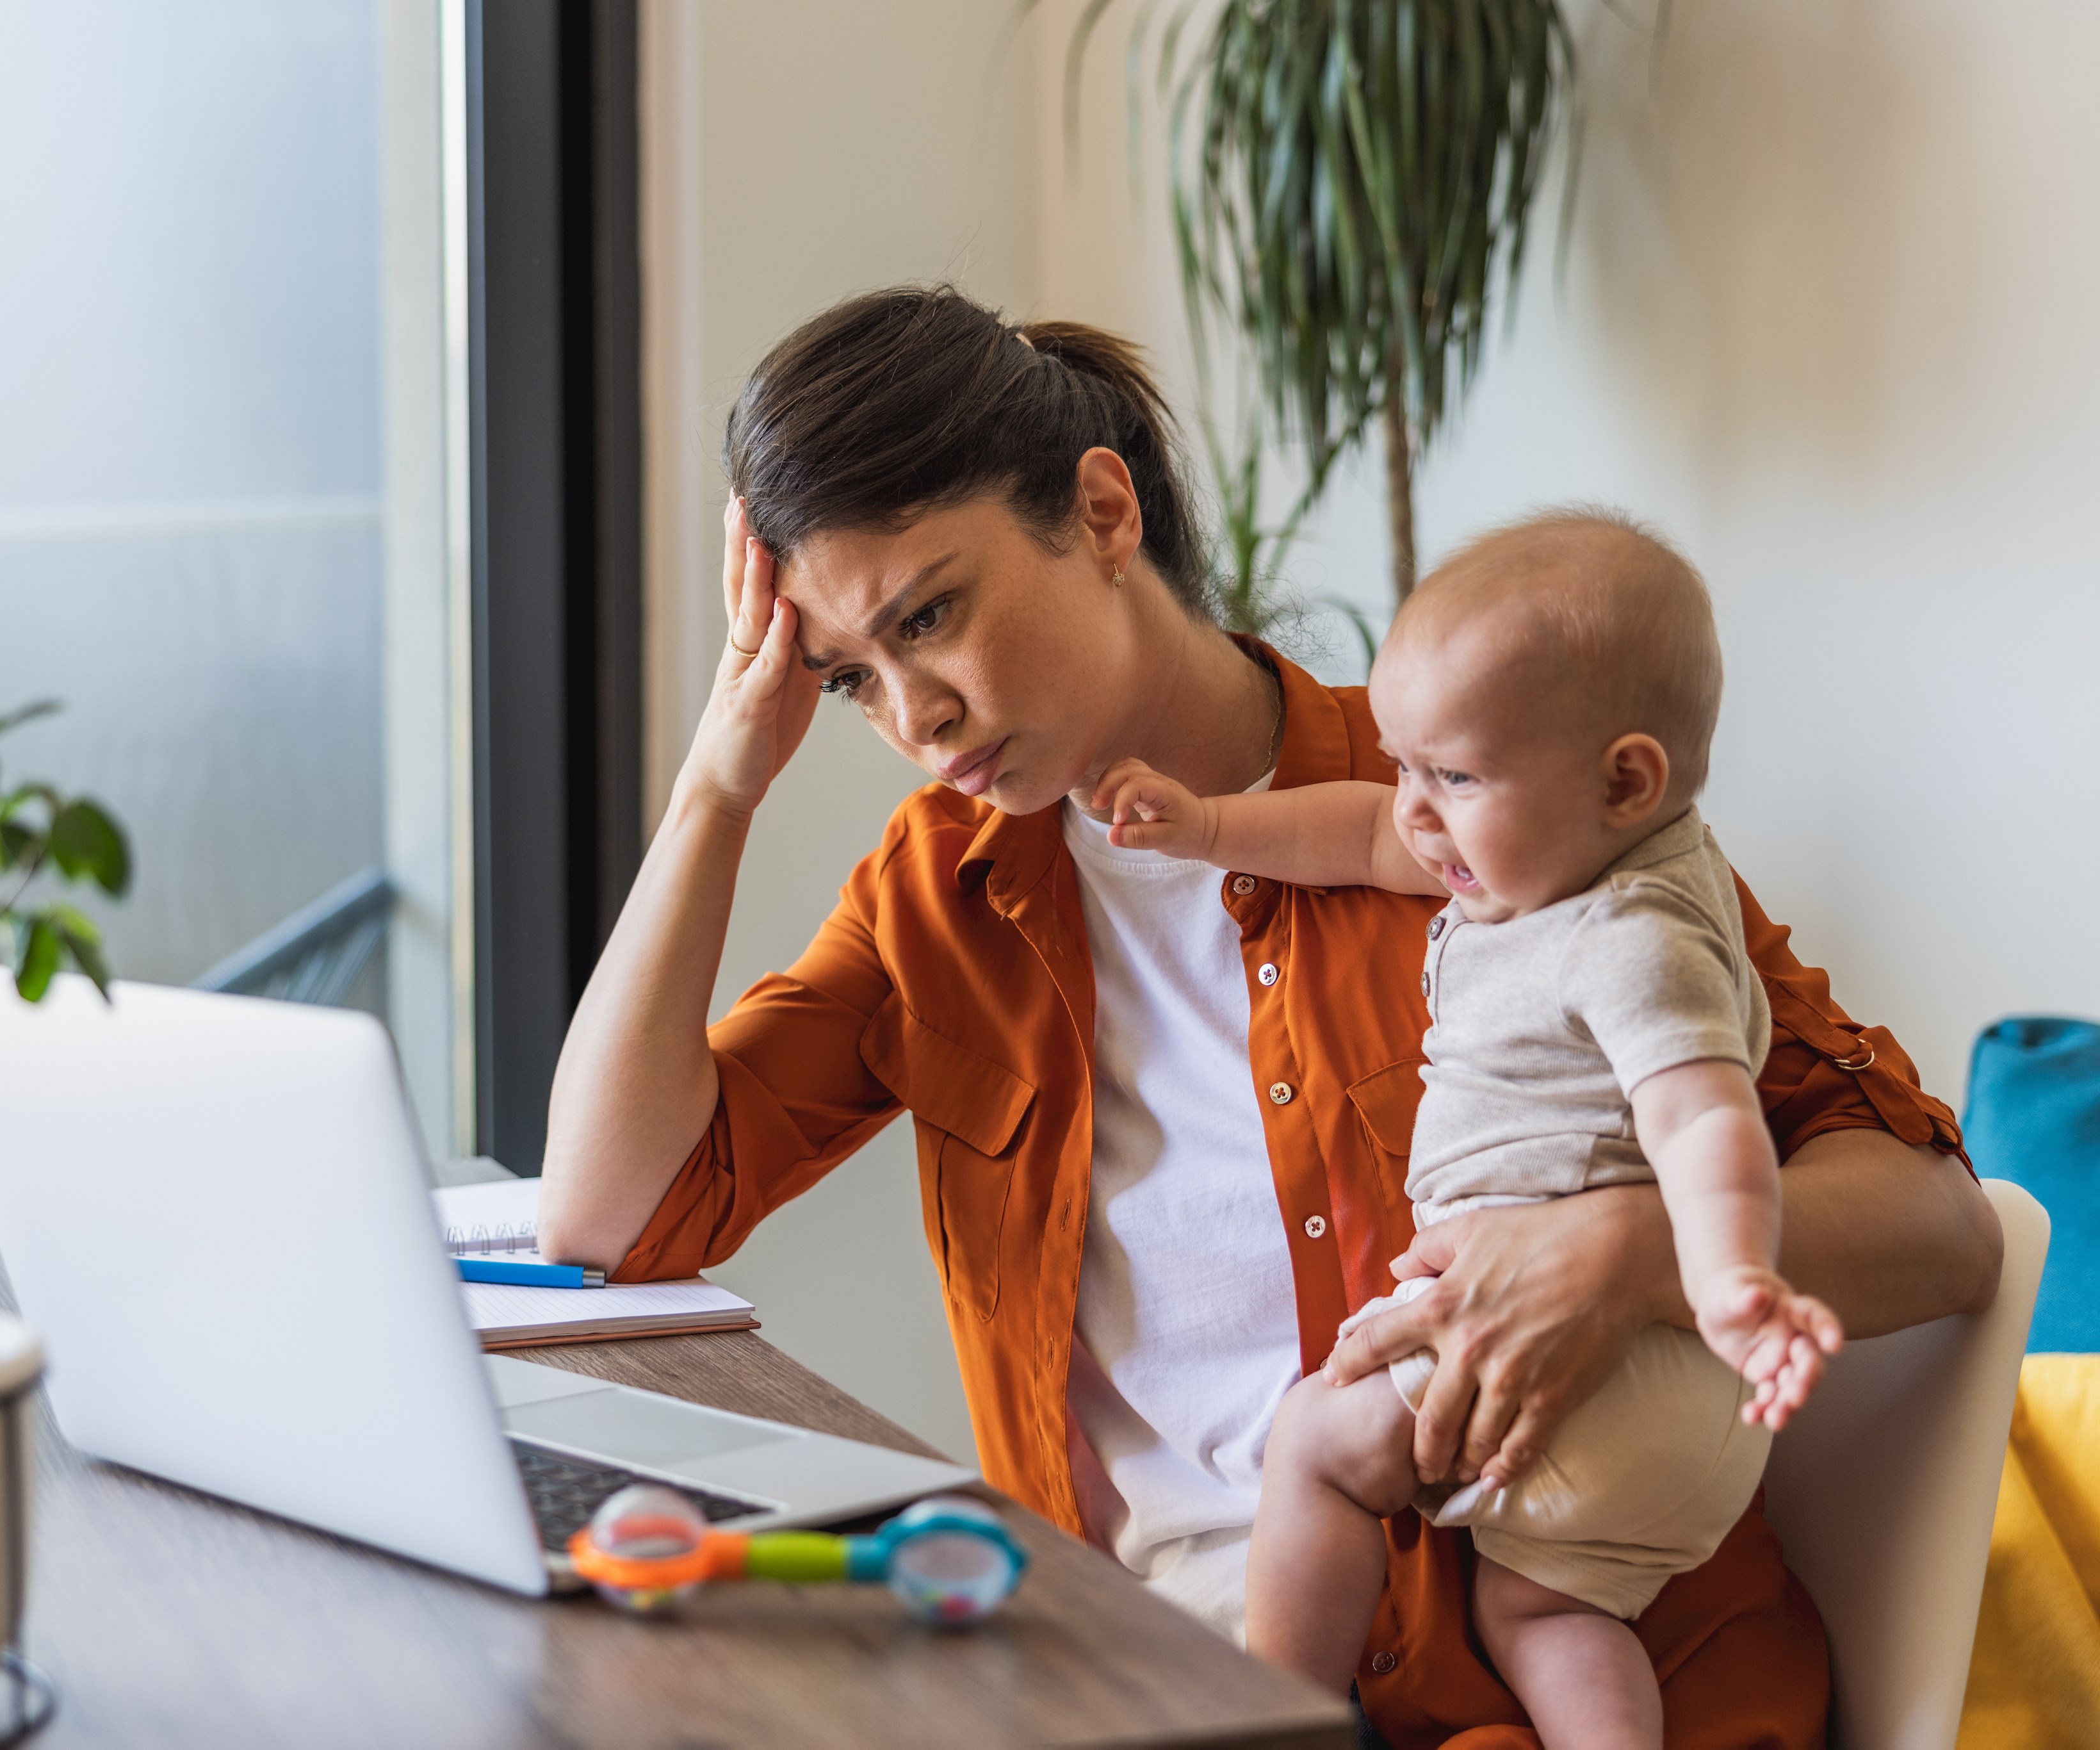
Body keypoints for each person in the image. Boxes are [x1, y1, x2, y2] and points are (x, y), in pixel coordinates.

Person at [539, 284, 2000, 1748]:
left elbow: (1938, 1228)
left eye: (932, 613)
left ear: (1101, 511)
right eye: (850, 674)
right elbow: (611, 1217)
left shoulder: (1480, 793)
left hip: (1558, 1689)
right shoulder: (938, 895)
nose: (911, 716)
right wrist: (716, 787)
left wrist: (1621, 1252)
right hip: (1145, 1688)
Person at [1095, 510, 1843, 1747]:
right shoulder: (1556, 861)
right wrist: (1211, 829)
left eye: (1452, 776)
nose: (1415, 813)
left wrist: (1731, 1279)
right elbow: (1358, 837)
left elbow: (1708, 1118)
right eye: (1403, 764)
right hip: (1661, 1430)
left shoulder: (1632, 940)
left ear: (1626, 779)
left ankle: (1263, 1724)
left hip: (1601, 1355)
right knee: (1545, 1611)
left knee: (1320, 1446)